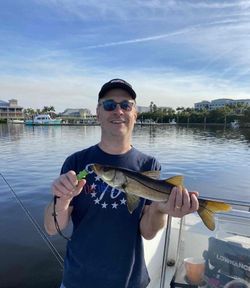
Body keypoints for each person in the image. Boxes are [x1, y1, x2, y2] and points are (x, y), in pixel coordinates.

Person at [44, 78, 199, 288]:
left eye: (126, 105)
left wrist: (160, 210)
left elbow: (148, 232)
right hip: (77, 280)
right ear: (98, 113)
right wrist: (62, 201)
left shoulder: (149, 164)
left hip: (129, 281)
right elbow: (52, 229)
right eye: (109, 105)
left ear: (134, 114)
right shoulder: (76, 162)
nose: (118, 111)